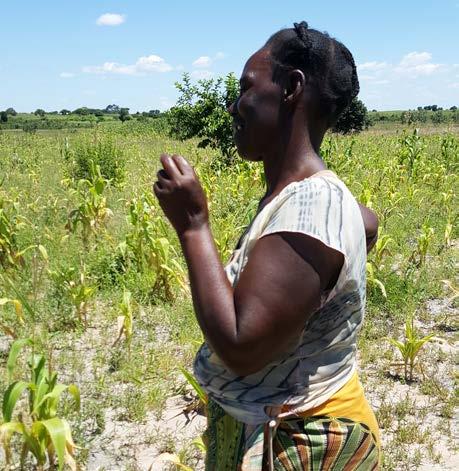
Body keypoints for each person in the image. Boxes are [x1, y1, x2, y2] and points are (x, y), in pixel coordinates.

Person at [154, 20, 380, 471]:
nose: (235, 106)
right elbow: (367, 224)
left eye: (246, 88)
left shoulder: (313, 203)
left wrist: (193, 225)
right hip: (272, 426)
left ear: (291, 87)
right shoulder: (308, 198)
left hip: (304, 440)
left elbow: (242, 348)